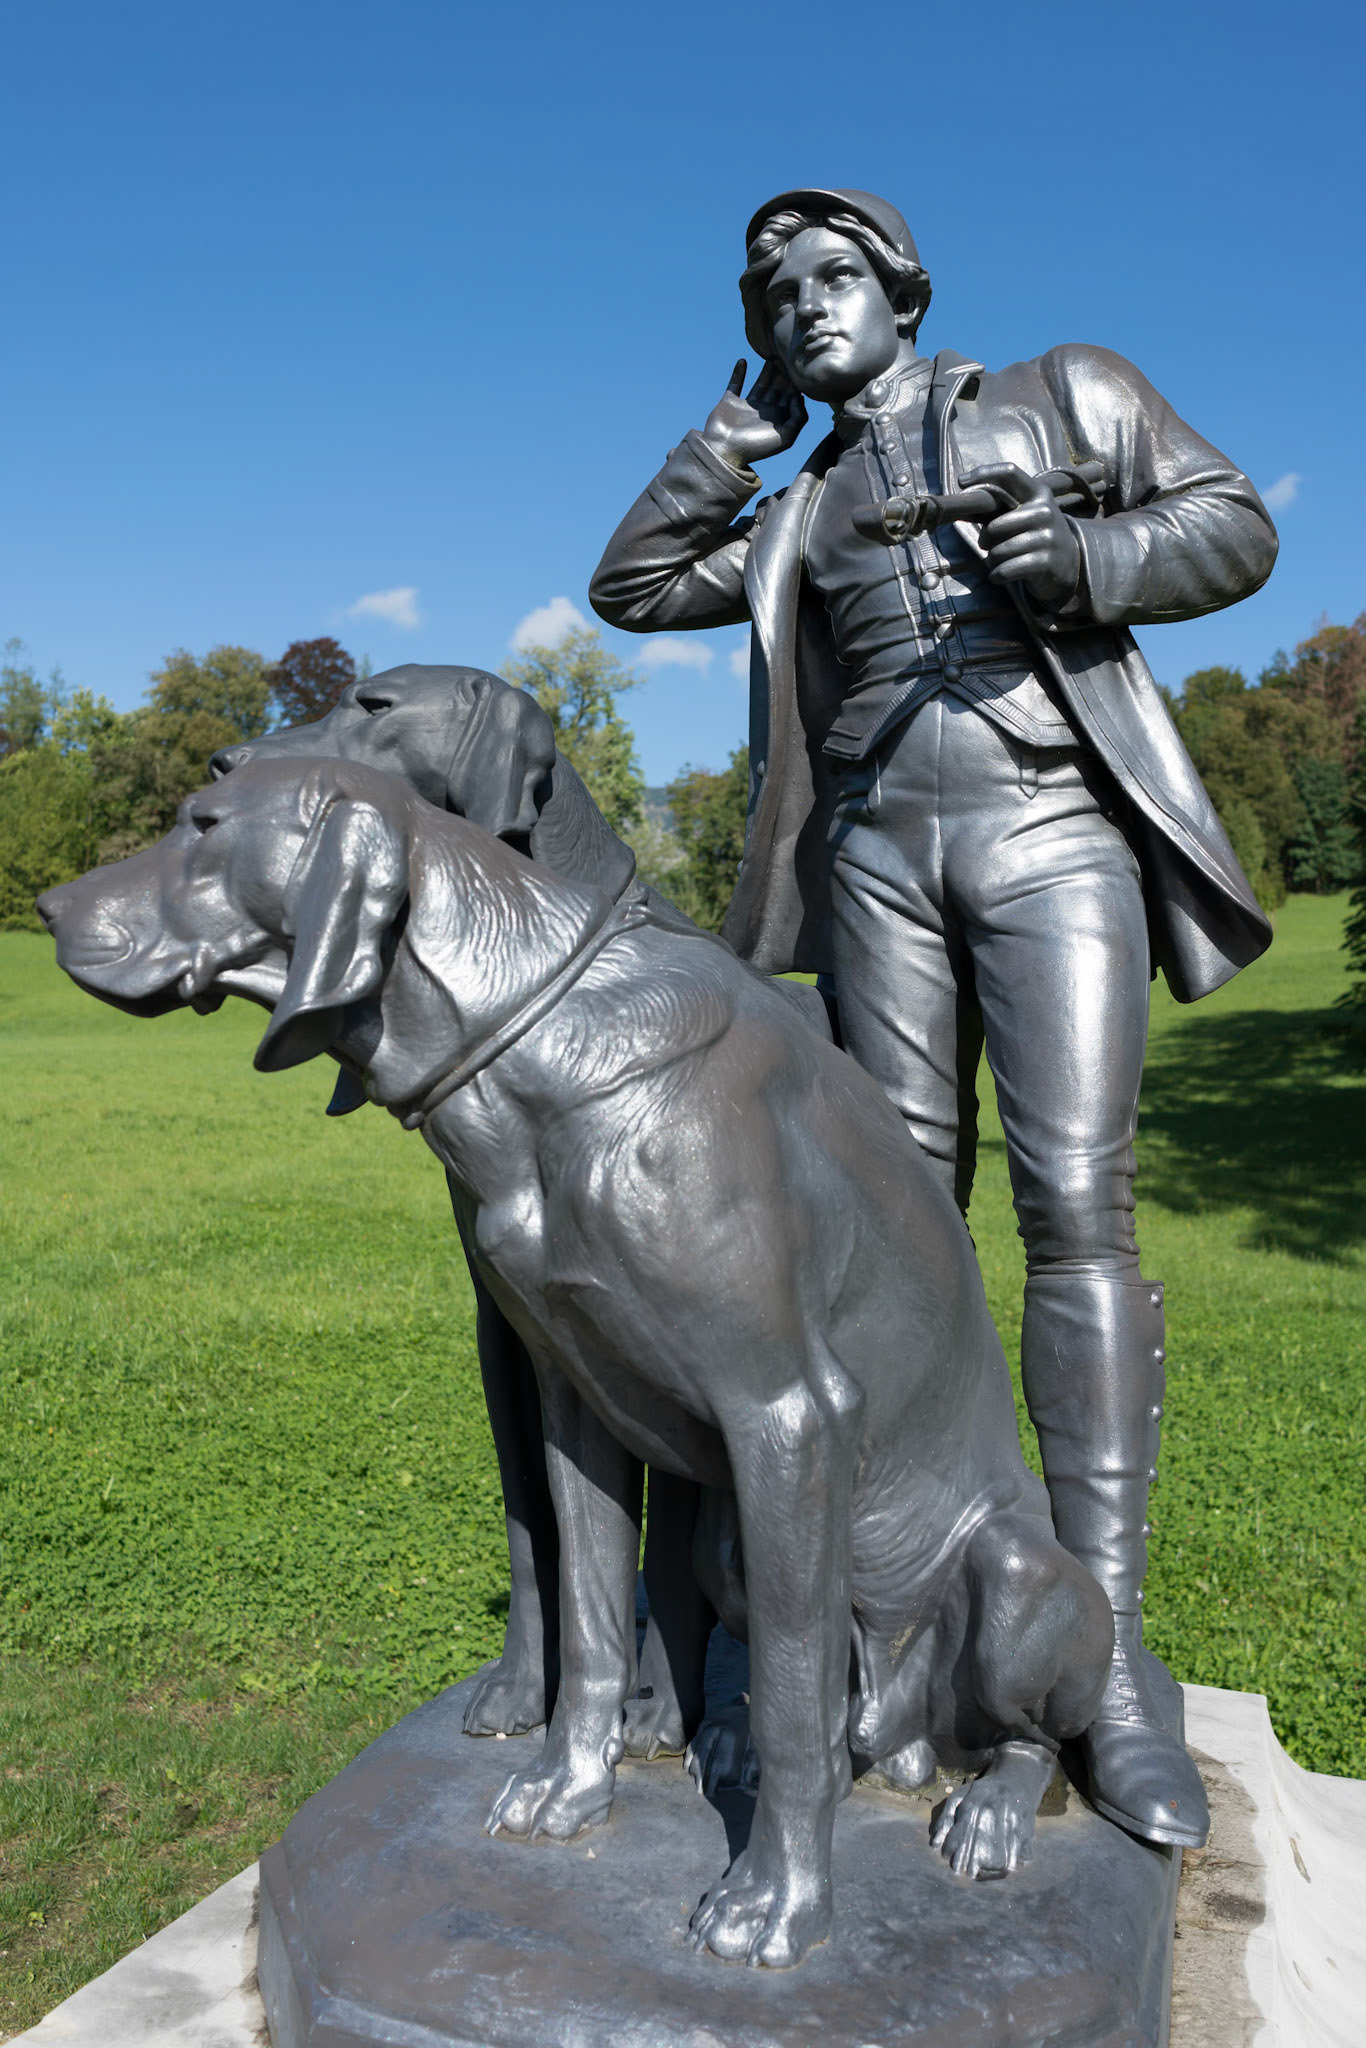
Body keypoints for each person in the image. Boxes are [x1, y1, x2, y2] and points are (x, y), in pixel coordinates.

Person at [590, 187, 1278, 1849]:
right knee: (888, 1240)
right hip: (875, 865)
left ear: (901, 289)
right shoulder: (798, 500)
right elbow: (630, 584)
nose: (805, 310)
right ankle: (876, 1632)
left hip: (1049, 834)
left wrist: (1091, 555)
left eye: (832, 280)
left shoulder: (1057, 392)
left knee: (1074, 1211)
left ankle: (1097, 1679)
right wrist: (725, 440)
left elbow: (1233, 523)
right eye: (775, 300)